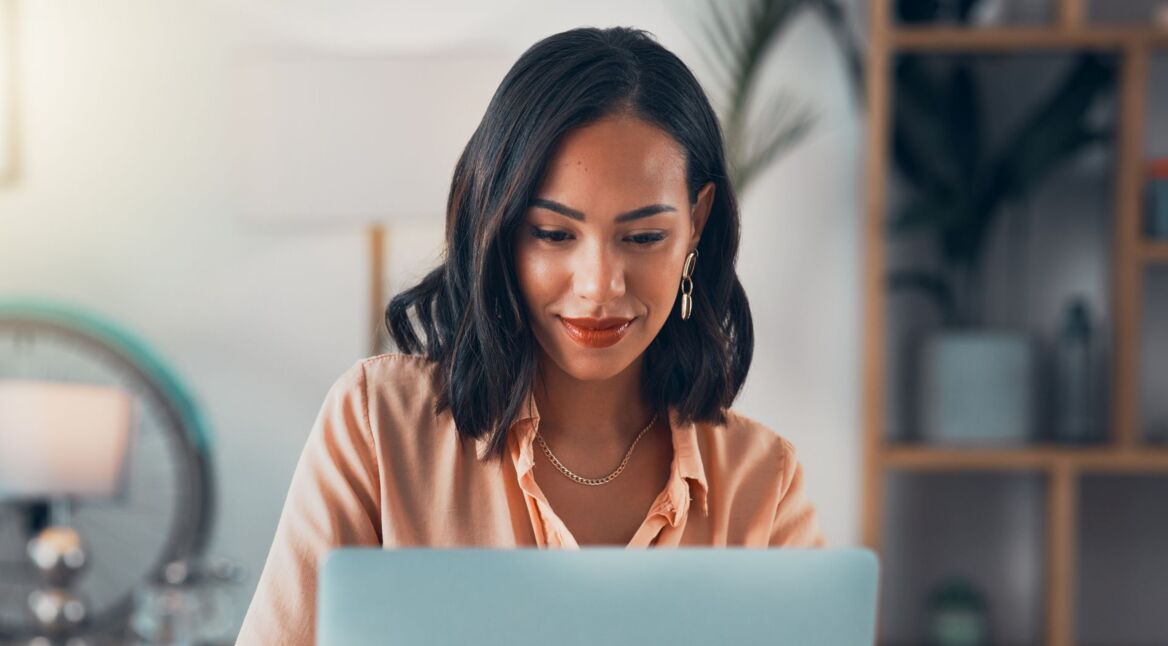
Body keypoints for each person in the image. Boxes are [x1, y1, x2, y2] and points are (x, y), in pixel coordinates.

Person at [236, 25, 825, 645]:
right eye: (554, 234)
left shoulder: (763, 482)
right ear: (501, 228)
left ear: (697, 223)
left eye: (644, 237)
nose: (599, 286)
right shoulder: (378, 428)